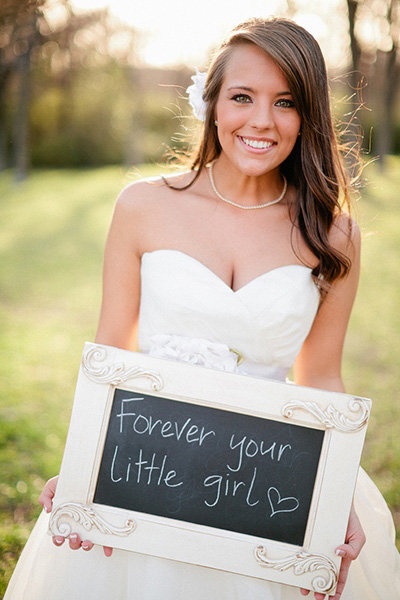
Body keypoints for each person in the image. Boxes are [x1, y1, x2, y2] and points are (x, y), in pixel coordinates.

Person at [4, 16, 400, 600]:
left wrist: (332, 493)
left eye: (285, 101)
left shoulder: (333, 234)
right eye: (243, 97)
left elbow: (320, 375)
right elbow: (111, 349)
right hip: (148, 473)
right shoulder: (143, 205)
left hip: (266, 486)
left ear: (308, 115)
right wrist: (88, 464)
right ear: (212, 103)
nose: (261, 121)